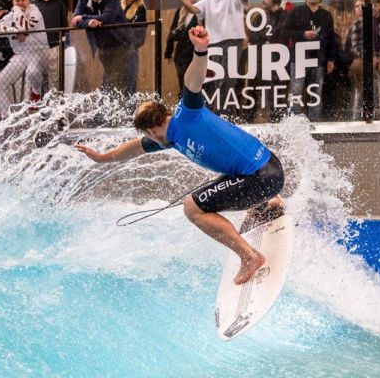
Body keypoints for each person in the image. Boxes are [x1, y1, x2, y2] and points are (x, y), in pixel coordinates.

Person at [76, 26, 285, 286]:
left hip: (262, 177)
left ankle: (250, 256)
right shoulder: (169, 136)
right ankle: (268, 204)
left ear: (151, 130)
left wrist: (200, 50)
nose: (148, 140)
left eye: (147, 135)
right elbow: (134, 148)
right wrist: (102, 158)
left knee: (193, 207)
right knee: (226, 178)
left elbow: (192, 81)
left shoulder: (187, 114)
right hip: (269, 168)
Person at [167, 0, 250, 111]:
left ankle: (226, 112)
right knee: (218, 80)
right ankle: (224, 112)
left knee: (228, 79)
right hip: (215, 43)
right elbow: (193, 8)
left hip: (232, 40)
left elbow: (245, 0)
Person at [0, 0, 50, 119]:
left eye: (22, 0)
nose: (20, 3)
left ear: (28, 0)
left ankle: (35, 95)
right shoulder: (10, 15)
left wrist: (17, 11)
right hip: (20, 55)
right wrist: (15, 32)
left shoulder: (35, 11)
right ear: (13, 2)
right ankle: (7, 117)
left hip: (38, 52)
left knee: (32, 72)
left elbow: (26, 26)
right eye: (17, 1)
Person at [71, 0, 134, 92]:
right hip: (103, 45)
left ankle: (116, 102)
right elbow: (75, 21)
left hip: (121, 43)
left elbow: (107, 17)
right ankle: (115, 101)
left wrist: (84, 17)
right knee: (110, 78)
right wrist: (89, 23)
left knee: (114, 78)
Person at [285, 0, 336, 121]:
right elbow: (285, 31)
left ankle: (315, 122)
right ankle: (293, 121)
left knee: (316, 91)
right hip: (299, 57)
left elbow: (331, 38)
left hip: (318, 58)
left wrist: (331, 59)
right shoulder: (296, 11)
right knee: (296, 90)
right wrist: (303, 34)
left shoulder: (326, 15)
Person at [343, 0, 380, 120]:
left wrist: (378, 55)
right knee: (356, 67)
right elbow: (355, 46)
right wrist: (368, 56)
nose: (374, 8)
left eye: (376, 5)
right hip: (364, 56)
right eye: (371, 5)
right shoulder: (358, 24)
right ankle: (365, 97)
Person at [247, 0, 287, 122]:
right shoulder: (259, 16)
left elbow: (283, 33)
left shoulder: (284, 15)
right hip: (261, 58)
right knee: (259, 87)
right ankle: (254, 117)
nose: (263, 0)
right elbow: (253, 35)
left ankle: (278, 119)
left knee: (277, 89)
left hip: (279, 57)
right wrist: (265, 40)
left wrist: (267, 38)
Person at [32, 0, 68, 92]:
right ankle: (40, 100)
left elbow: (65, 26)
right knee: (39, 77)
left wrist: (65, 44)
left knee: (55, 77)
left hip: (55, 46)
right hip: (37, 48)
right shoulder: (32, 5)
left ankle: (54, 100)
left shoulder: (58, 3)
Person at [164, 0, 202, 93]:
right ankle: (183, 104)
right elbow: (172, 32)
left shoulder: (200, 13)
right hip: (181, 55)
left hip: (195, 55)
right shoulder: (180, 11)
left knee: (194, 87)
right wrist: (168, 53)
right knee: (183, 86)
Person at [121, 0, 147, 94]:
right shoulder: (118, 7)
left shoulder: (140, 9)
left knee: (129, 83)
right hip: (115, 51)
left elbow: (138, 32)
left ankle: (130, 105)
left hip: (130, 50)